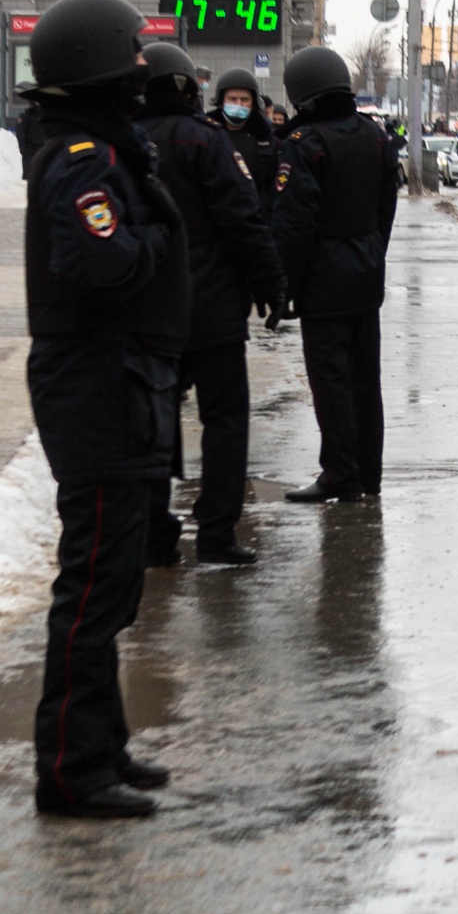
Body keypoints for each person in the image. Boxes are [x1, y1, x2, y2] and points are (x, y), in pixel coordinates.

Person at [17, 0, 190, 819]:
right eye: (128, 62)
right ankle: (70, 771)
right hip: (95, 382)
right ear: (96, 70)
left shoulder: (104, 150)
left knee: (113, 583)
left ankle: (103, 743)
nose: (141, 76)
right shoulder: (85, 158)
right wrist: (159, 241)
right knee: (89, 587)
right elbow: (106, 264)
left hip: (117, 380)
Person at [134, 44, 285, 567]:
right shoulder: (207, 140)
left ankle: (155, 535)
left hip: (150, 310)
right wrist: (271, 286)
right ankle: (217, 534)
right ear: (190, 88)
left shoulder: (125, 144)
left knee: (156, 419)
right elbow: (243, 220)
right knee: (225, 420)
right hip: (214, 308)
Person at [274, 47, 398, 504]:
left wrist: (284, 286)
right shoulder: (374, 135)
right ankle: (369, 474)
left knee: (331, 381)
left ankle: (340, 474)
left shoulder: (304, 142)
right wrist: (371, 250)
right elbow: (387, 205)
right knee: (367, 379)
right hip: (366, 272)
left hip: (323, 279)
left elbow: (293, 223)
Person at [207, 74, 280, 219]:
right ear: (221, 101)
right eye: (232, 99)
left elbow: (274, 186)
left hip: (256, 219)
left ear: (253, 103)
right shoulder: (206, 134)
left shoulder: (265, 139)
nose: (238, 104)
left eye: (244, 100)